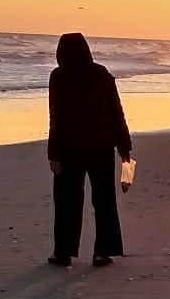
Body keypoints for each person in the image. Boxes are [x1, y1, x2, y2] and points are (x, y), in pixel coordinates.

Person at [45, 31, 132, 267]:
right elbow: (116, 111)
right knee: (104, 200)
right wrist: (124, 145)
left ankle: (63, 252)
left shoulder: (59, 76)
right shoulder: (101, 74)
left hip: (68, 148)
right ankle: (102, 251)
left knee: (66, 202)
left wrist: (53, 153)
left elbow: (56, 117)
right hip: (101, 146)